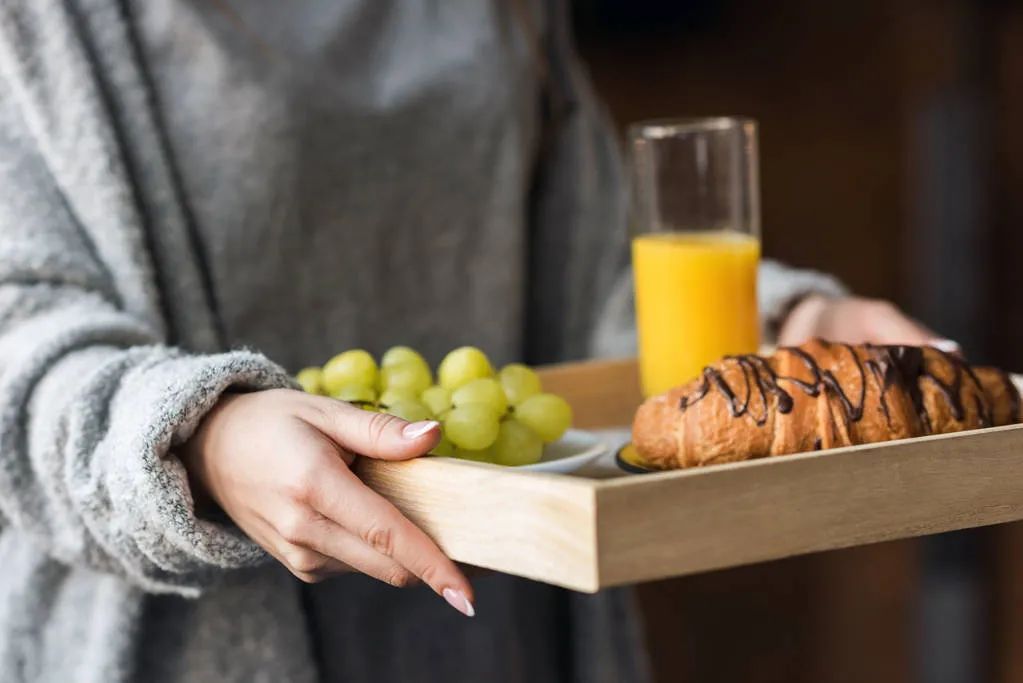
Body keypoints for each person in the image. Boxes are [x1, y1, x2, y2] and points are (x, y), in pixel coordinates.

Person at [0, 2, 947, 682]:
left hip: (498, 634)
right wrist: (199, 440)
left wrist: (780, 332)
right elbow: (19, 343)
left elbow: (592, 283)